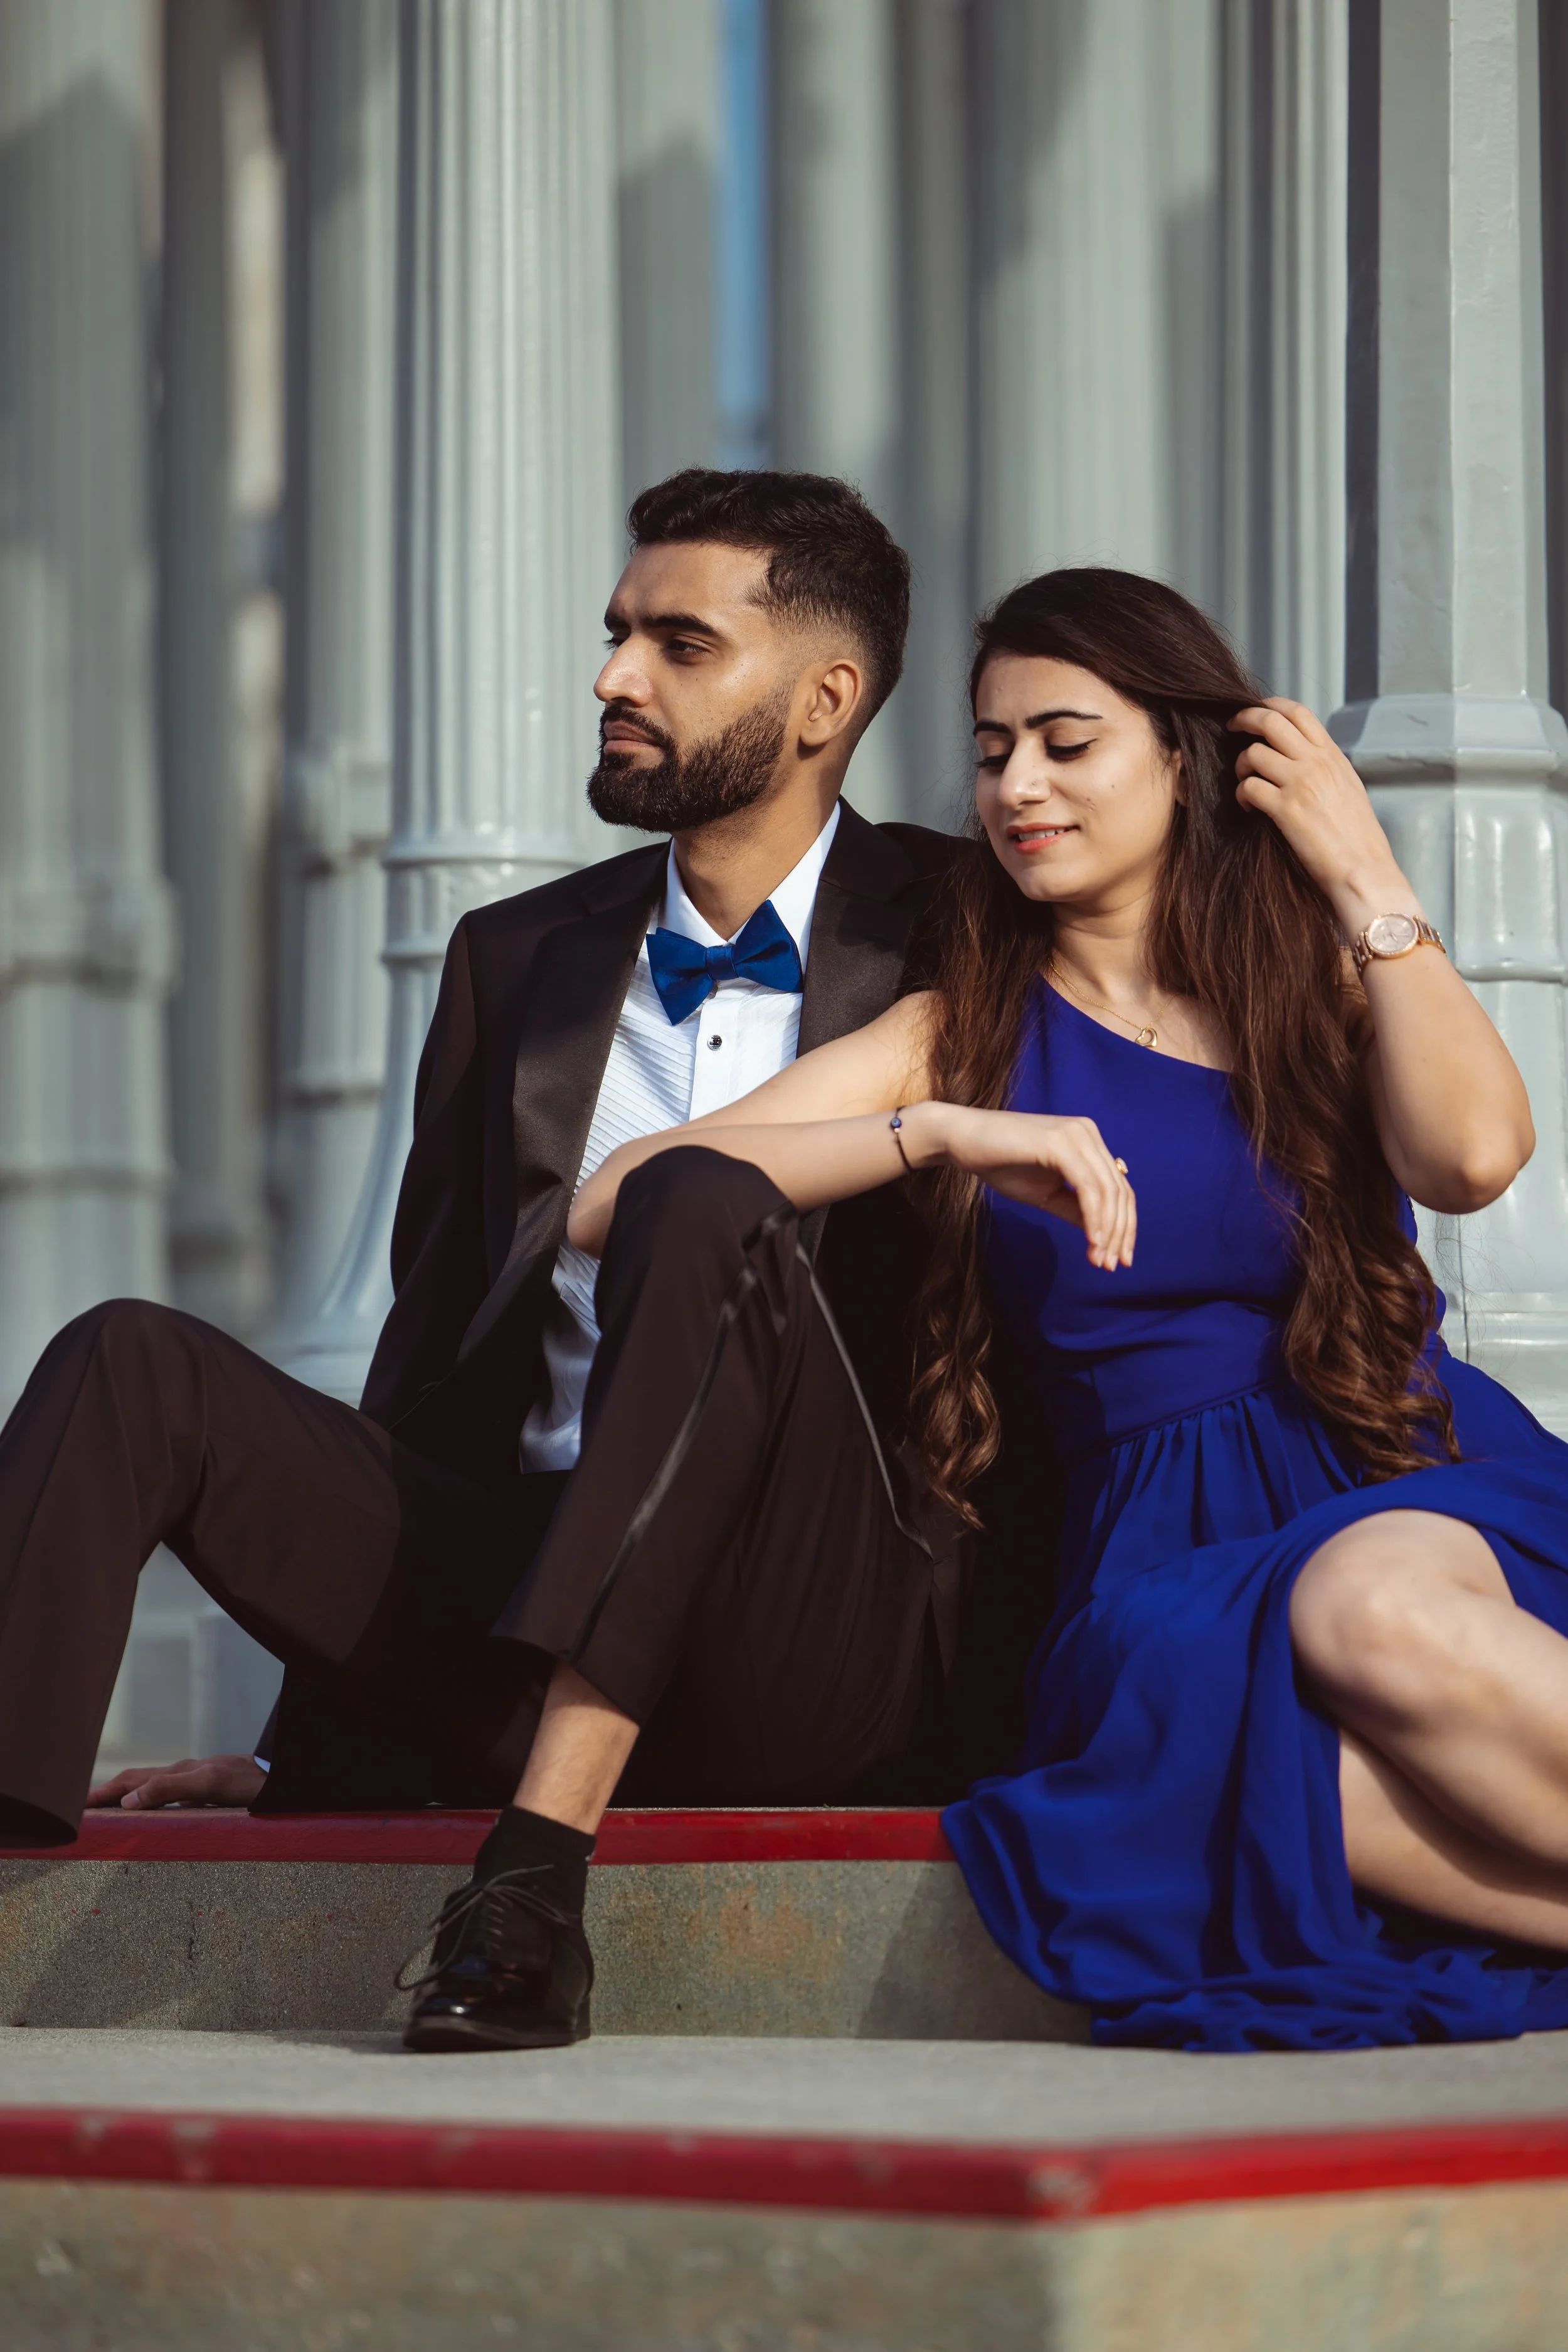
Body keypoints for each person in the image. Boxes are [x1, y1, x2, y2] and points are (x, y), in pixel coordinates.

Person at [0, 468, 988, 2053]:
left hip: (806, 1620)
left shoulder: (966, 927)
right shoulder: (515, 960)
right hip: (520, 1594)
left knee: (693, 1201)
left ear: (824, 700)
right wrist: (321, 1743)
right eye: (617, 636)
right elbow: (435, 1370)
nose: (612, 676)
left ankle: (532, 1889)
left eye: (679, 642)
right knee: (129, 1358)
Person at [572, 564, 1568, 2053]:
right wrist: (941, 1134)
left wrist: (1364, 874)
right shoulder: (952, 1033)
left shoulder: (1305, 976)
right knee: (1279, 1793)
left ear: (1180, 756)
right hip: (1154, 1560)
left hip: (1394, 1481)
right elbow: (617, 1194)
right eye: (988, 753)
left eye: (1063, 740)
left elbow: (1474, 1155)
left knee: (1363, 1607)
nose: (1016, 785)